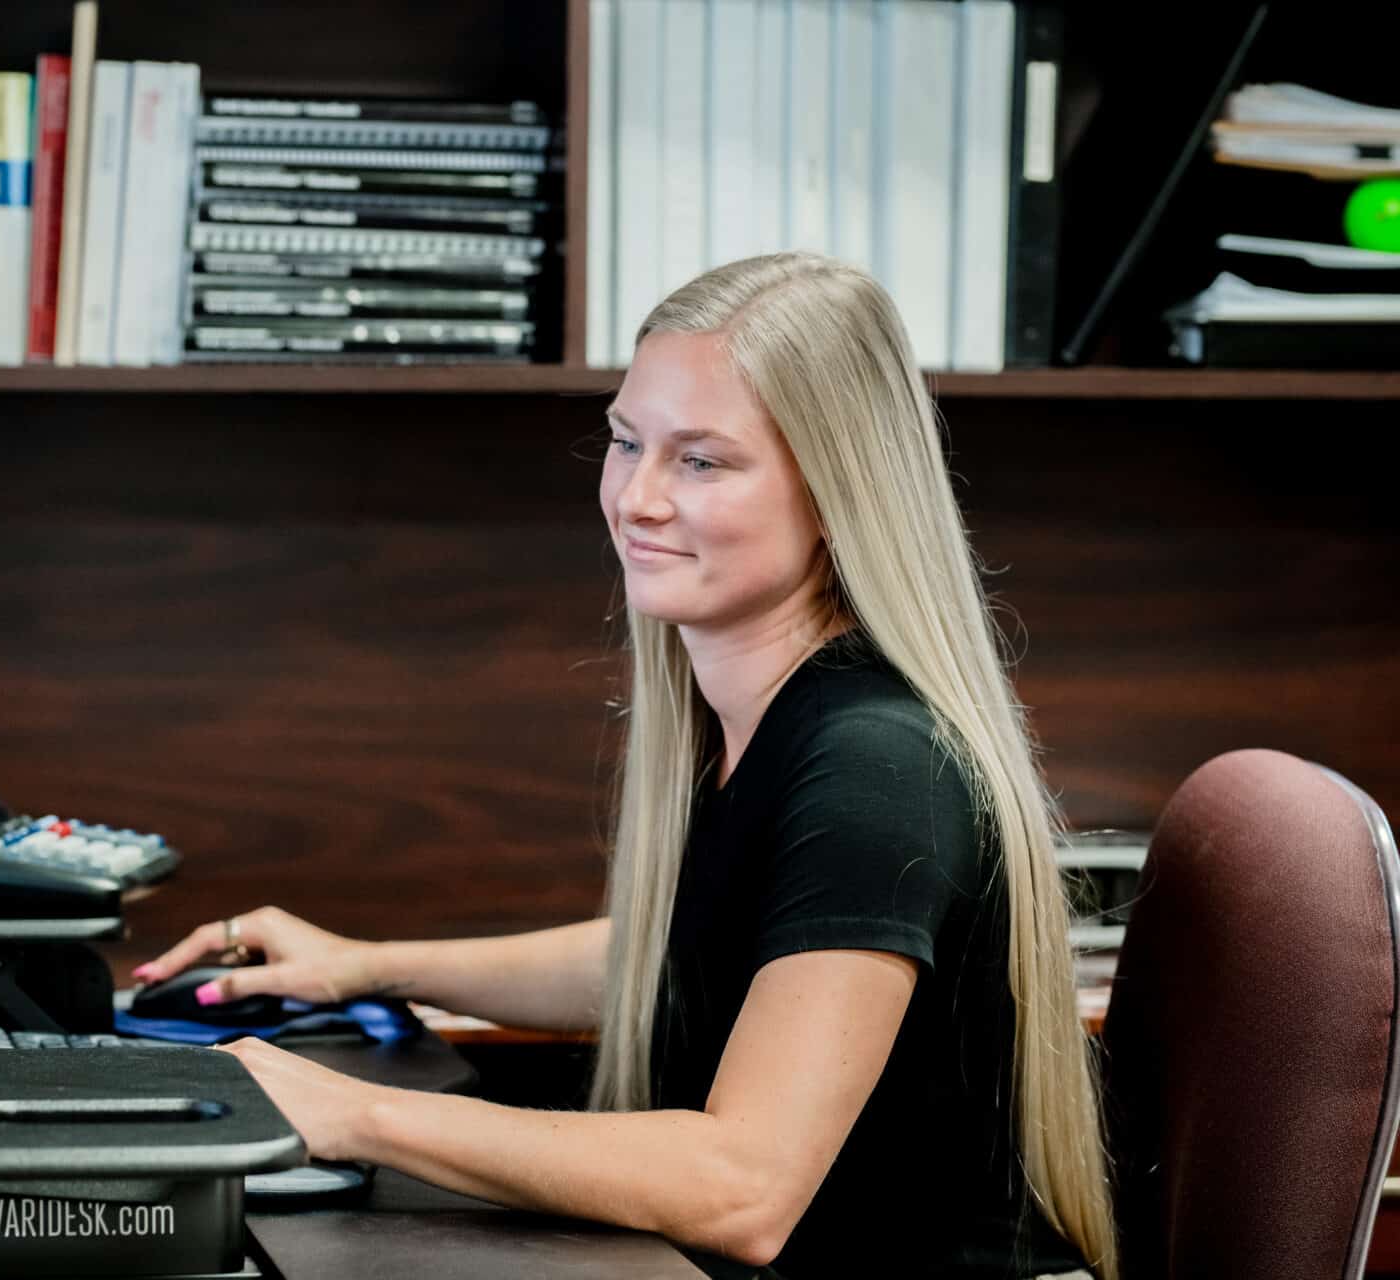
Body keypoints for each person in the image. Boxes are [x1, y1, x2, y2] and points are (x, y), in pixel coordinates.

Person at [135, 253, 1116, 1280]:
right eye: (626, 440)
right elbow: (685, 951)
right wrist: (370, 963)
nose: (636, 497)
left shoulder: (874, 764)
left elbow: (744, 1185)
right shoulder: (761, 714)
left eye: (701, 460)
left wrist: (355, 1111)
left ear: (837, 492)